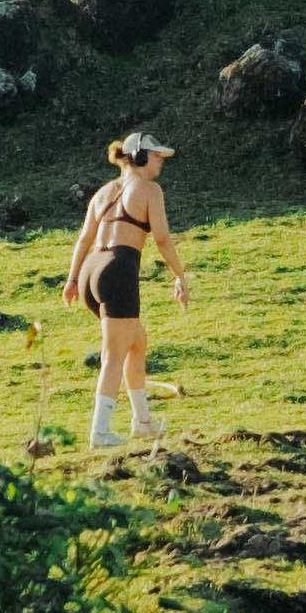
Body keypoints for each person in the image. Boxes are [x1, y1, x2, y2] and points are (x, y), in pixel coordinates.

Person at [58, 129, 191, 450]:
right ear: (141, 156)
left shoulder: (103, 192)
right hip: (118, 269)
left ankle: (142, 422)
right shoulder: (149, 190)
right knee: (113, 354)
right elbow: (161, 238)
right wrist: (180, 276)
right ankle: (100, 431)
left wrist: (73, 279)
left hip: (92, 270)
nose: (161, 162)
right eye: (157, 156)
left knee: (136, 341)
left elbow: (84, 239)